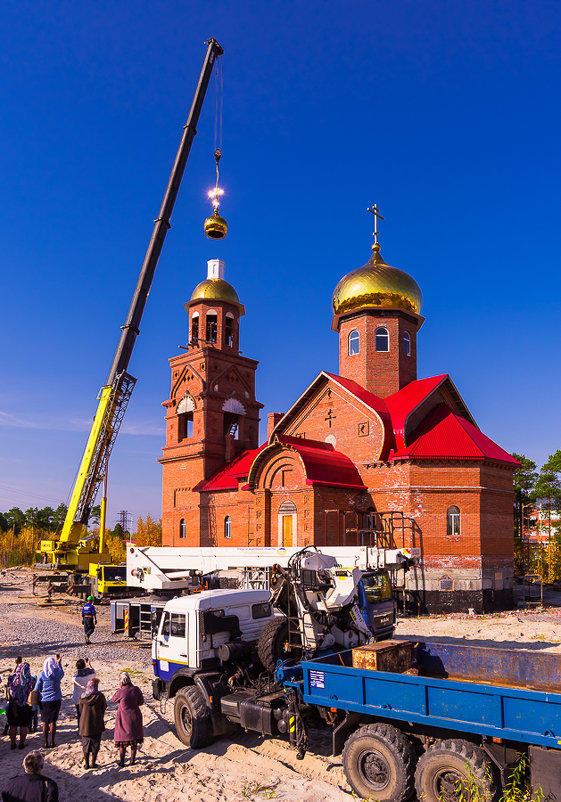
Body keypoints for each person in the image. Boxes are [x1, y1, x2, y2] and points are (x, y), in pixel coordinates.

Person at [111, 671, 144, 766]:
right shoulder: (136, 689)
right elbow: (141, 702)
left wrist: (119, 688)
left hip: (123, 717)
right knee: (134, 740)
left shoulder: (120, 691)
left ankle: (122, 761)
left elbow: (113, 700)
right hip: (135, 715)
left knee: (122, 741)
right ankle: (132, 761)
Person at [34, 656, 64, 749]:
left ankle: (45, 742)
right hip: (55, 699)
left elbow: (37, 688)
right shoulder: (57, 673)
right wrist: (59, 663)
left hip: (44, 700)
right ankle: (52, 741)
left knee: (45, 722)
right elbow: (62, 673)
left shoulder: (42, 675)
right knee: (53, 722)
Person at [6, 659, 35, 750]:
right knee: (23, 726)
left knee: (13, 725)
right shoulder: (31, 679)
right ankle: (21, 743)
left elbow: (8, 684)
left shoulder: (12, 678)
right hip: (25, 704)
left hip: (13, 703)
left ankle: (13, 743)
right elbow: (33, 689)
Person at [78, 677, 106, 769]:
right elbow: (104, 707)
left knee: (85, 745)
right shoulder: (100, 696)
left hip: (84, 725)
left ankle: (86, 764)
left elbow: (80, 710)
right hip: (97, 723)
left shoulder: (82, 697)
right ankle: (93, 763)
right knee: (95, 744)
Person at [72, 658, 95, 726]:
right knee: (88, 714)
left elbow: (78, 672)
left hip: (77, 697)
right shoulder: (90, 675)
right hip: (87, 697)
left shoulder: (75, 677)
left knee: (79, 714)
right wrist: (89, 665)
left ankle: (80, 729)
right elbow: (93, 672)